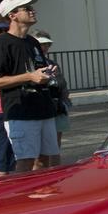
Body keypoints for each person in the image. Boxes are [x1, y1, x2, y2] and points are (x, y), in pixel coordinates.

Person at [0, 0, 59, 172]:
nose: (32, 11)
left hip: (43, 108)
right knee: (25, 162)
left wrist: (48, 73)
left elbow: (36, 71)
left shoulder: (33, 42)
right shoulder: (2, 44)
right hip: (21, 112)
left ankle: (44, 197)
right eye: (26, 8)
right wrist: (28, 77)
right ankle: (24, 199)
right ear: (12, 15)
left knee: (46, 160)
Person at [33, 31, 69, 164]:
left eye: (47, 44)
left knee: (55, 145)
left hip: (57, 106)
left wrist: (64, 100)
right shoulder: (31, 63)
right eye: (41, 44)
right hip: (39, 107)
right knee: (39, 151)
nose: (45, 47)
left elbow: (62, 83)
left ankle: (55, 174)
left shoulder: (52, 63)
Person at [0, 14, 15, 176]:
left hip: (9, 103)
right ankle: (0, 183)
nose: (2, 33)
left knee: (12, 146)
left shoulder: (7, 49)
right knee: (4, 145)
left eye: (4, 29)